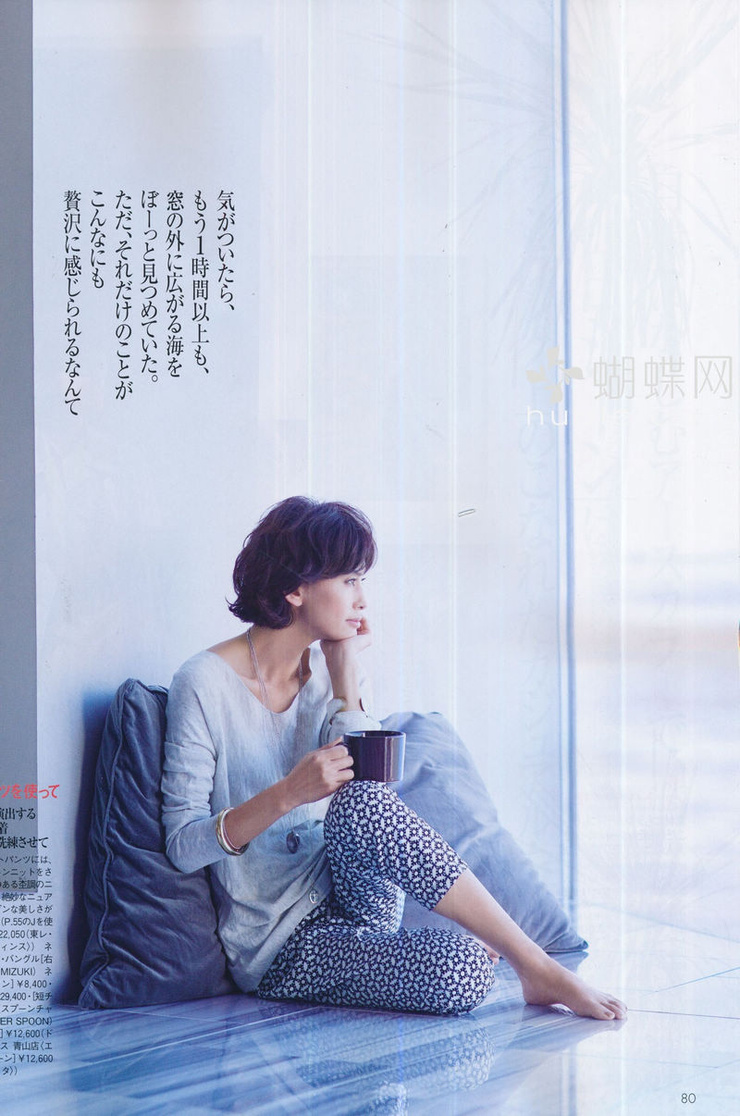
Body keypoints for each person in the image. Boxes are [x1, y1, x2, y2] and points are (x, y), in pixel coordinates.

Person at [162, 496, 626, 1020]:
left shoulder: (332, 673)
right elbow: (183, 846)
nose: (362, 600)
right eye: (350, 581)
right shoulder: (202, 683)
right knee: (464, 971)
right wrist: (288, 794)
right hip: (281, 947)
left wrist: (345, 676)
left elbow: (371, 798)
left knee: (362, 800)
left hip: (358, 898)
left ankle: (535, 965)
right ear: (295, 589)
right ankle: (497, 960)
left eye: (363, 580)